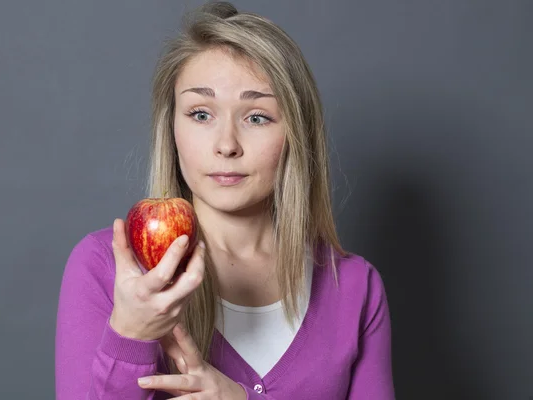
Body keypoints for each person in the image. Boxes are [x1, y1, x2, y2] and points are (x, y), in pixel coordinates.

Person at [55, 2, 395, 399]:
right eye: (201, 114)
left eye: (257, 117)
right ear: (172, 128)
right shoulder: (104, 269)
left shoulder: (354, 287)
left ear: (296, 136)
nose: (226, 145)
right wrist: (132, 335)